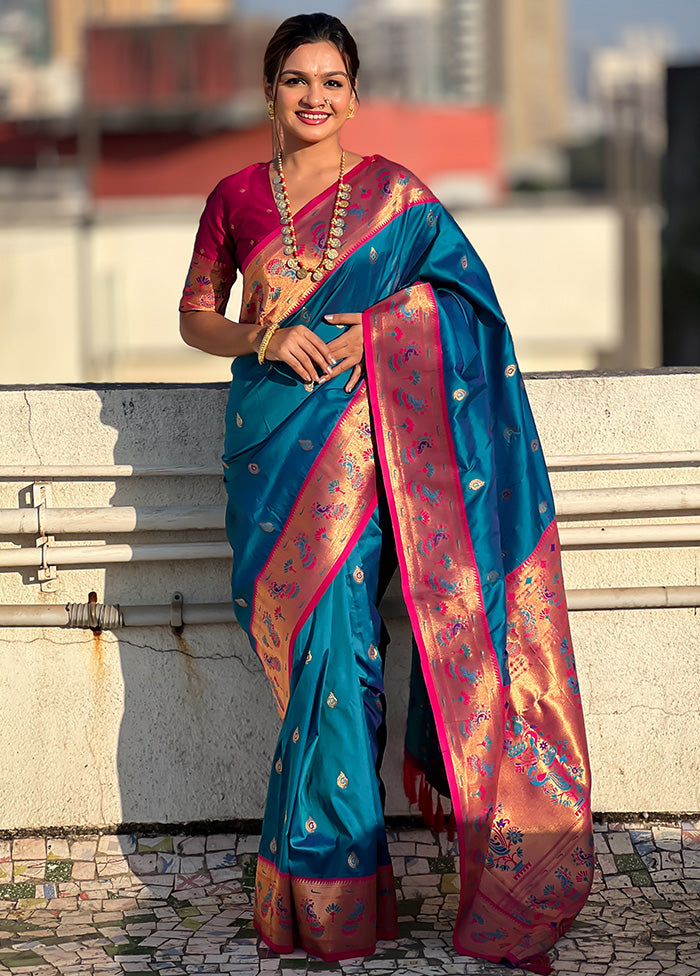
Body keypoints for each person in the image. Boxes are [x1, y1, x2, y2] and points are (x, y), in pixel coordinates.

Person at [179, 13, 593, 974]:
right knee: (313, 672)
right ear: (270, 92)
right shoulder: (235, 197)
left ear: (355, 95)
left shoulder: (399, 198)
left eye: (332, 81)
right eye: (295, 80)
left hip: (379, 465)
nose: (314, 97)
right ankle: (327, 892)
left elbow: (467, 306)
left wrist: (377, 333)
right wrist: (266, 337)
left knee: (352, 661)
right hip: (274, 458)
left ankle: (335, 891)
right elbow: (198, 318)